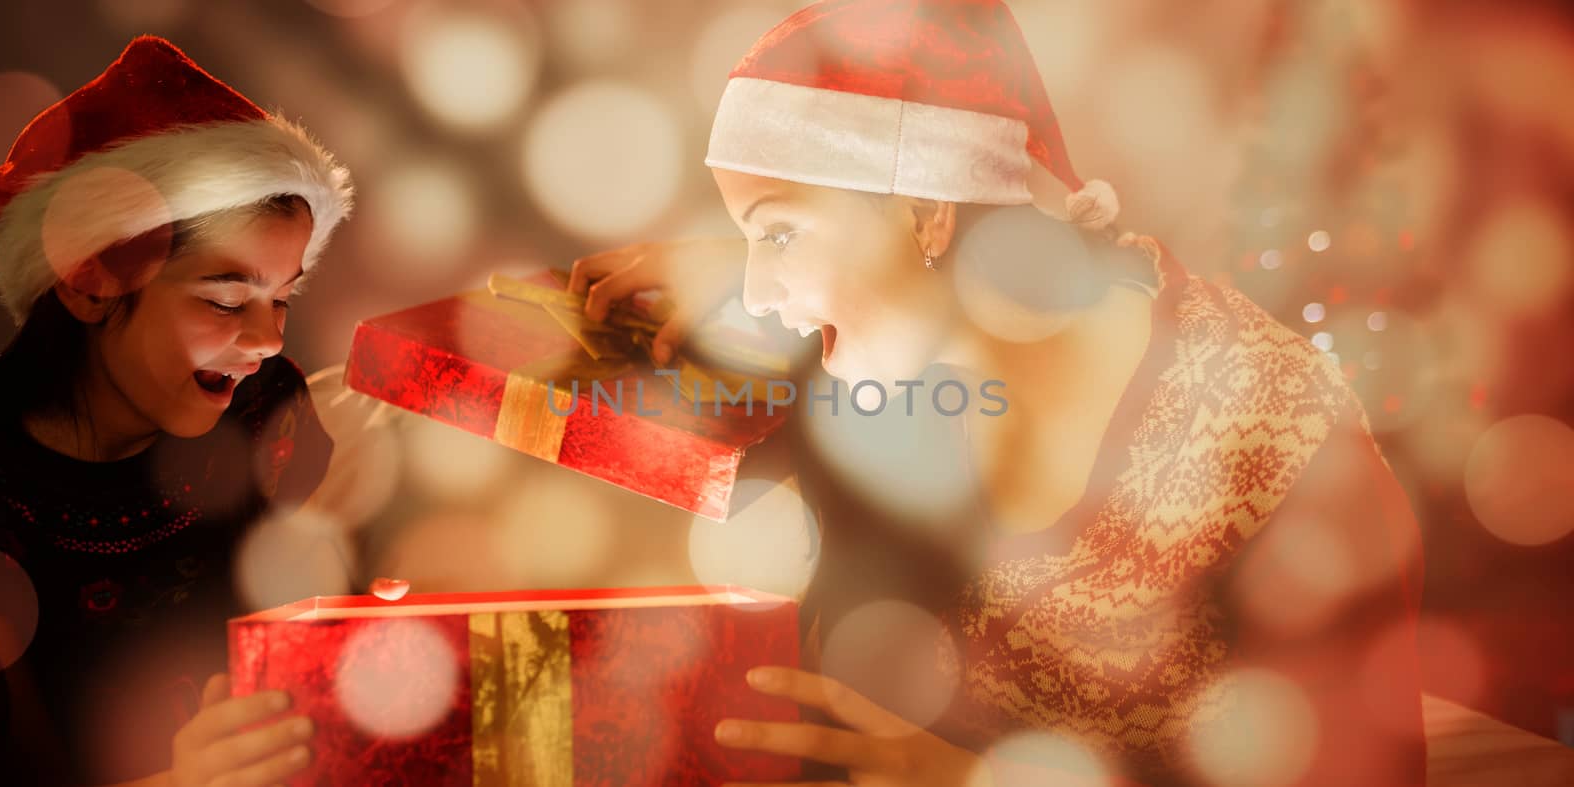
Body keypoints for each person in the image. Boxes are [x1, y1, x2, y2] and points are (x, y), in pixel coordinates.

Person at [569, 1, 1428, 785]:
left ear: (928, 217)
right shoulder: (897, 358)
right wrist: (746, 258)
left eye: (780, 234)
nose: (755, 295)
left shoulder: (1285, 447)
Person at [0, 36, 354, 786]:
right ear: (88, 283)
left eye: (283, 298)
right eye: (224, 299)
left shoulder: (269, 416)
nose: (268, 340)